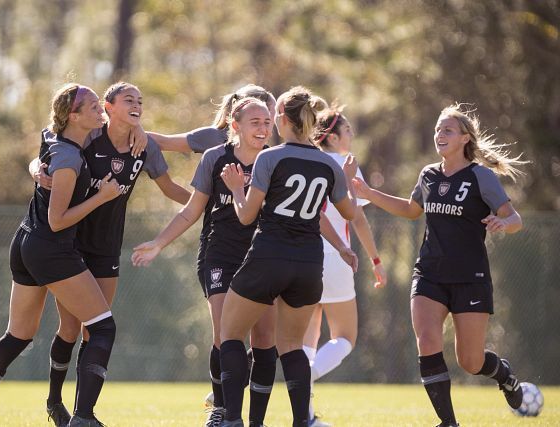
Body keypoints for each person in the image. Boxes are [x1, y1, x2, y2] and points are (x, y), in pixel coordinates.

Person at [0, 83, 121, 427]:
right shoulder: (70, 158)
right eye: (91, 105)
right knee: (103, 328)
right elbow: (58, 221)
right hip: (50, 248)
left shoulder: (56, 136)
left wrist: (35, 169)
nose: (99, 108)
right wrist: (102, 198)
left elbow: (41, 153)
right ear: (73, 116)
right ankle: (84, 418)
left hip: (27, 243)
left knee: (19, 334)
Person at [352, 104, 528, 427]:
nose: (439, 135)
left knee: (471, 361)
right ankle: (449, 423)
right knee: (428, 341)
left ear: (464, 138)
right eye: (436, 129)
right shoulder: (428, 175)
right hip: (429, 274)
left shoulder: (480, 177)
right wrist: (366, 192)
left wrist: (505, 225)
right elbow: (410, 209)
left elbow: (513, 217)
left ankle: (505, 375)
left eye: (447, 130)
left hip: (470, 278)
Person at [31, 81, 191, 426]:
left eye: (140, 101)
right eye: (128, 99)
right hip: (70, 245)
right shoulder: (88, 134)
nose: (136, 105)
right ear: (108, 106)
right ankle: (55, 402)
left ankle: (82, 414)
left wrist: (208, 204)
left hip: (106, 248)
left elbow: (170, 189)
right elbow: (48, 149)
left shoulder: (144, 146)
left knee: (96, 330)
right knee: (71, 327)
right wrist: (35, 169)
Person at [216, 86, 359, 427]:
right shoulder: (328, 164)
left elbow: (246, 216)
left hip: (269, 257)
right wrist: (349, 184)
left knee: (230, 336)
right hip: (309, 265)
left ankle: (233, 420)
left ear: (282, 118)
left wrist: (237, 188)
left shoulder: (270, 157)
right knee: (292, 347)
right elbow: (349, 212)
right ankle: (301, 422)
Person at [132, 97, 278, 427]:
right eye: (255, 122)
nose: (263, 128)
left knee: (265, 339)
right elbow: (191, 211)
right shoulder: (215, 157)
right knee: (227, 334)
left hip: (262, 257)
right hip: (221, 256)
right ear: (235, 125)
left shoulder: (275, 161)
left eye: (267, 122)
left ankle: (256, 420)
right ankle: (226, 413)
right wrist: (158, 243)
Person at [302, 106, 388, 427]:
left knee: (307, 340)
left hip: (302, 256)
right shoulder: (345, 165)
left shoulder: (307, 161)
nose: (352, 136)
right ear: (334, 137)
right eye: (348, 131)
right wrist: (376, 260)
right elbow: (358, 218)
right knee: (346, 337)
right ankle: (304, 376)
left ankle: (306, 416)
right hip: (335, 259)